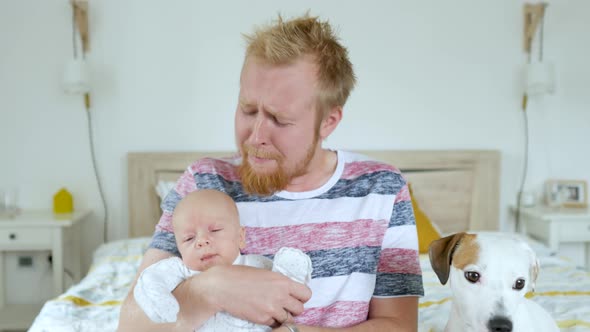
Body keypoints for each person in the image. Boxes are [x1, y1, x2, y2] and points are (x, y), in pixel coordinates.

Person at [119, 13, 423, 332]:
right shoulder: (203, 183)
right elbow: (131, 325)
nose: (256, 136)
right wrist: (212, 288)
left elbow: (399, 326)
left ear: (328, 121)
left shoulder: (381, 189)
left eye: (280, 119)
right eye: (248, 110)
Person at [133, 189, 312, 331]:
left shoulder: (257, 266)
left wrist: (289, 271)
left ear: (240, 237)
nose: (202, 241)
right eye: (189, 238)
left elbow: (285, 289)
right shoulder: (180, 271)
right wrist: (163, 303)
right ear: (179, 248)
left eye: (215, 230)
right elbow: (150, 282)